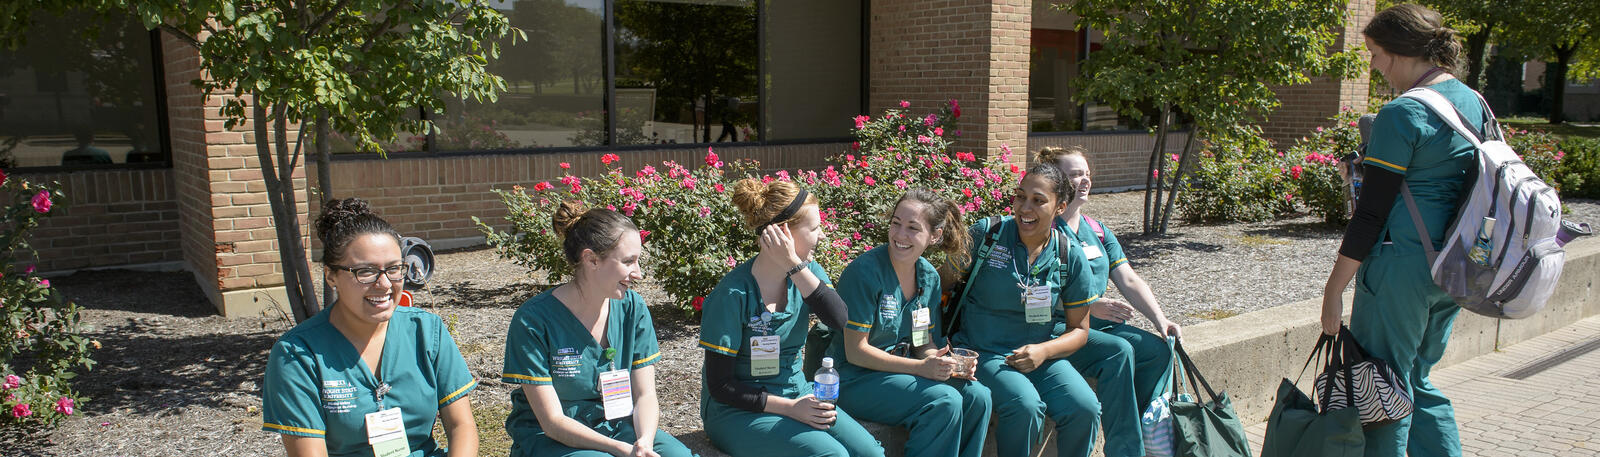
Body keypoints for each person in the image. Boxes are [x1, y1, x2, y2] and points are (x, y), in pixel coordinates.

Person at [1319, 4, 1476, 457]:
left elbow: (1370, 216)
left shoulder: (1402, 113)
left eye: (1374, 53)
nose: (1371, 64)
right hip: (1456, 266)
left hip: (1401, 270)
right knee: (1417, 380)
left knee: (1383, 389)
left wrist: (1334, 291)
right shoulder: (1473, 102)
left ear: (1398, 52)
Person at [263, 198, 479, 457]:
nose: (385, 284)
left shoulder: (426, 331)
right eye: (365, 272)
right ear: (331, 275)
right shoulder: (297, 354)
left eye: (394, 269)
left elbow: (461, 426)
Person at [699, 178, 885, 457]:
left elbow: (838, 319)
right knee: (832, 455)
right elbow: (721, 387)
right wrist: (791, 409)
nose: (822, 235)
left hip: (797, 392)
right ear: (784, 232)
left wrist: (792, 265)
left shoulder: (807, 273)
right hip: (738, 410)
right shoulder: (732, 294)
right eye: (815, 228)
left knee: (871, 453)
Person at [500, 201, 691, 457]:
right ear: (591, 260)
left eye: (639, 261)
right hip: (554, 438)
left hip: (618, 426)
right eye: (628, 261)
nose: (639, 273)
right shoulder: (533, 320)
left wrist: (644, 442)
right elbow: (552, 422)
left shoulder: (632, 307)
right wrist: (620, 449)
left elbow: (645, 394)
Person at [949, 163, 1103, 457]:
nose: (1024, 207)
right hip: (984, 351)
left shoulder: (1068, 254)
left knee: (1085, 407)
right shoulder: (989, 234)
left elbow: (1080, 331)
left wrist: (1044, 351)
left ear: (1060, 206)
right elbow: (940, 285)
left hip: (1039, 355)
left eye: (1038, 200)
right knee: (1024, 406)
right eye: (1020, 196)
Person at [826, 188, 993, 457]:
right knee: (943, 401)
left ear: (935, 236)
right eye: (896, 223)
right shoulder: (863, 273)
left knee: (978, 397)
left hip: (901, 374)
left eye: (913, 228)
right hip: (855, 379)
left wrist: (942, 364)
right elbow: (856, 352)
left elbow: (922, 342)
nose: (900, 235)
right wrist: (920, 368)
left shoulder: (928, 277)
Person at [1039, 146, 1181, 456]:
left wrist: (1161, 321)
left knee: (1157, 352)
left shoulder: (1097, 231)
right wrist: (1089, 306)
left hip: (1101, 326)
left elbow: (1129, 279)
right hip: (1060, 328)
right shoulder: (1041, 231)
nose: (1085, 180)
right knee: (1120, 352)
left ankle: (1149, 438)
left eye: (1086, 173)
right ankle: (1126, 451)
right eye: (1075, 175)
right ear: (1054, 180)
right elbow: (1035, 293)